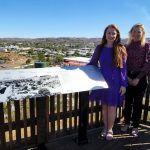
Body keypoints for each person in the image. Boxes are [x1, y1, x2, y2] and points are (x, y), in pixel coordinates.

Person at [88, 24, 127, 140]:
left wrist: (124, 84)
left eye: (113, 33)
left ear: (117, 35)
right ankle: (105, 128)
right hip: (102, 81)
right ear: (105, 34)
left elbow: (124, 68)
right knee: (104, 107)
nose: (111, 35)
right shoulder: (99, 48)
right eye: (109, 33)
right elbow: (92, 63)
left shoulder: (121, 48)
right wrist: (79, 69)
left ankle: (110, 130)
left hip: (116, 83)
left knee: (112, 107)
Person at [121, 23, 150, 137]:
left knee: (137, 104)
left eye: (139, 31)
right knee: (127, 103)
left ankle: (135, 126)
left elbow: (148, 63)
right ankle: (126, 122)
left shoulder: (147, 46)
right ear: (130, 33)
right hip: (127, 77)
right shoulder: (126, 46)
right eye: (134, 31)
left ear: (142, 34)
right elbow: (122, 63)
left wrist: (138, 78)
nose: (136, 33)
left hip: (141, 78)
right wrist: (127, 78)